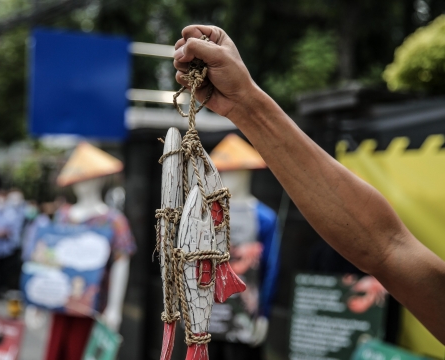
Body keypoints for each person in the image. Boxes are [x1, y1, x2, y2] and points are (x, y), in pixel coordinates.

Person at [172, 25, 445, 344]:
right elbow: (388, 247)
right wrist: (245, 104)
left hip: (242, 316)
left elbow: (387, 248)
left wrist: (261, 312)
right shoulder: (197, 212)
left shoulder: (263, 216)